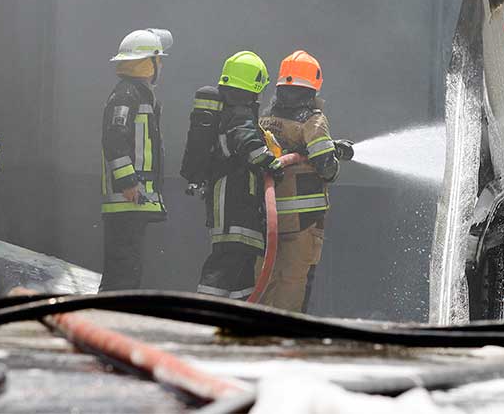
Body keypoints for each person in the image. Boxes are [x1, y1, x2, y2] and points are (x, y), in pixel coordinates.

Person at [258, 50, 352, 313]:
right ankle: (286, 336)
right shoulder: (313, 120)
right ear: (313, 86)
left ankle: (258, 334)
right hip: (303, 222)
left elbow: (288, 150)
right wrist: (332, 158)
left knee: (267, 280)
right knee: (294, 282)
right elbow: (326, 168)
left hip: (268, 218)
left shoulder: (265, 118)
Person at [184, 51, 283, 300]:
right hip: (233, 198)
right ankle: (205, 311)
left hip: (239, 199)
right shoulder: (238, 113)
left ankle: (239, 314)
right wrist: (270, 163)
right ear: (254, 84)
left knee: (241, 264)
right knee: (227, 258)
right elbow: (247, 142)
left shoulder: (231, 110)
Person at [98, 28, 172, 292]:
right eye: (158, 59)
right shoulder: (126, 95)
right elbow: (115, 140)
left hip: (135, 199)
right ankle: (110, 319)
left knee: (129, 267)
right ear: (146, 63)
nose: (160, 65)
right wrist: (128, 182)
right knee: (122, 270)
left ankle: (117, 316)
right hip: (127, 198)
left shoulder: (138, 95)